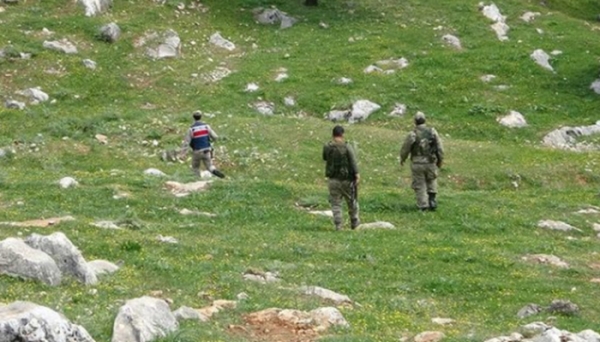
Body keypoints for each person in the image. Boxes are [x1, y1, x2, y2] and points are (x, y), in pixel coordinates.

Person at [400, 112, 444, 211]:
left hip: (417, 163)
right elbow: (439, 147)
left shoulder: (412, 134)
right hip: (430, 162)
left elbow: (405, 148)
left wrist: (403, 158)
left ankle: (423, 205)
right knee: (432, 180)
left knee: (420, 184)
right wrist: (440, 159)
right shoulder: (432, 131)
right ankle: (432, 200)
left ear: (415, 122)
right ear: (425, 120)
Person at [322, 125, 360, 230]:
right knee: (352, 202)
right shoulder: (347, 146)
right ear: (342, 134)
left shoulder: (327, 146)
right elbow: (353, 161)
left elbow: (325, 157)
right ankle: (355, 223)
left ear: (333, 134)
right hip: (347, 180)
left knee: (336, 204)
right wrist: (357, 174)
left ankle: (338, 225)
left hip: (333, 179)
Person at [180, 110, 225, 178]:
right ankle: (217, 173)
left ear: (193, 117)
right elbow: (215, 137)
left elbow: (187, 142)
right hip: (207, 150)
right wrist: (211, 142)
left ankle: (197, 180)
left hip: (197, 151)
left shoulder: (191, 129)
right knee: (209, 166)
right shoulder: (206, 126)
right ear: (201, 117)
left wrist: (183, 153)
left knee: (195, 167)